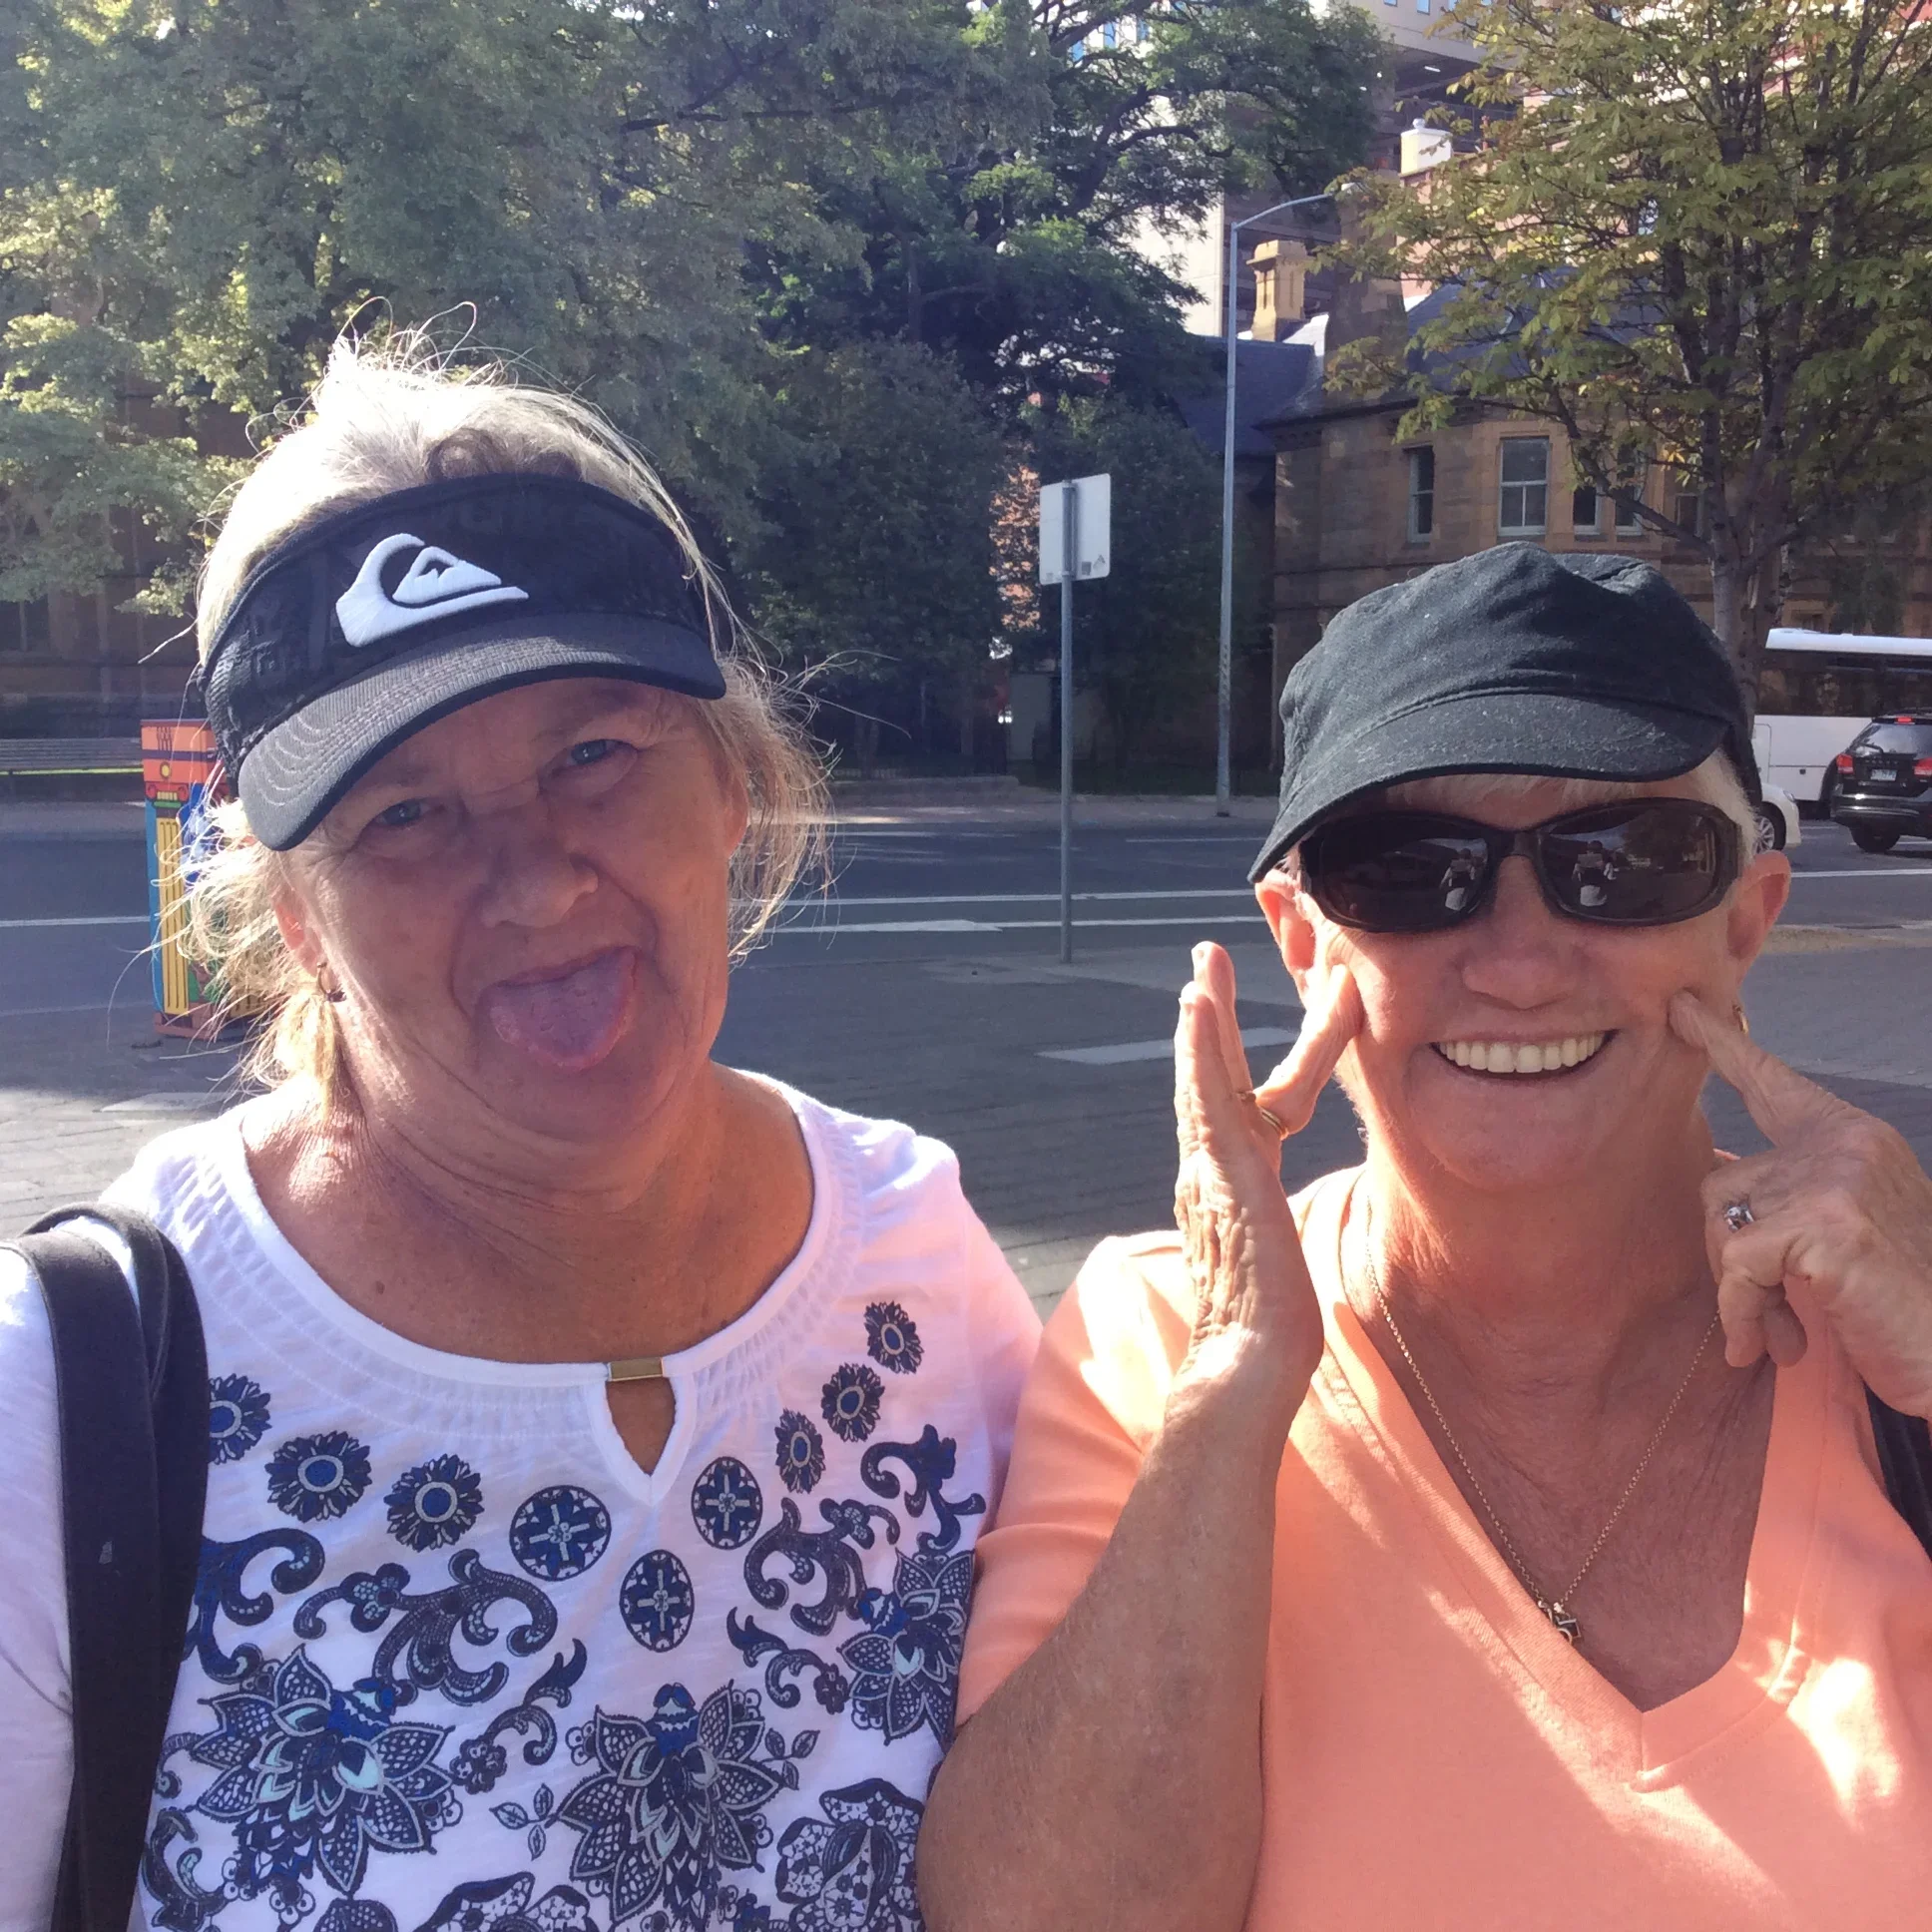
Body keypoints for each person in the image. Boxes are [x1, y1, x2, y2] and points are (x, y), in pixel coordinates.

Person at [0, 340, 1039, 1932]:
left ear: (736, 789)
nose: (538, 880)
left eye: (593, 757)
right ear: (297, 920)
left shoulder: (922, 1272)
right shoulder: (76, 1389)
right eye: (405, 814)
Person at [919, 545, 1932, 1930]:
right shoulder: (1154, 1344)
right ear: (1300, 939)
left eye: (1625, 862)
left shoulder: (1901, 1328)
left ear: (1746, 921)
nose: (1518, 962)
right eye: (1410, 870)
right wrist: (1230, 1396)